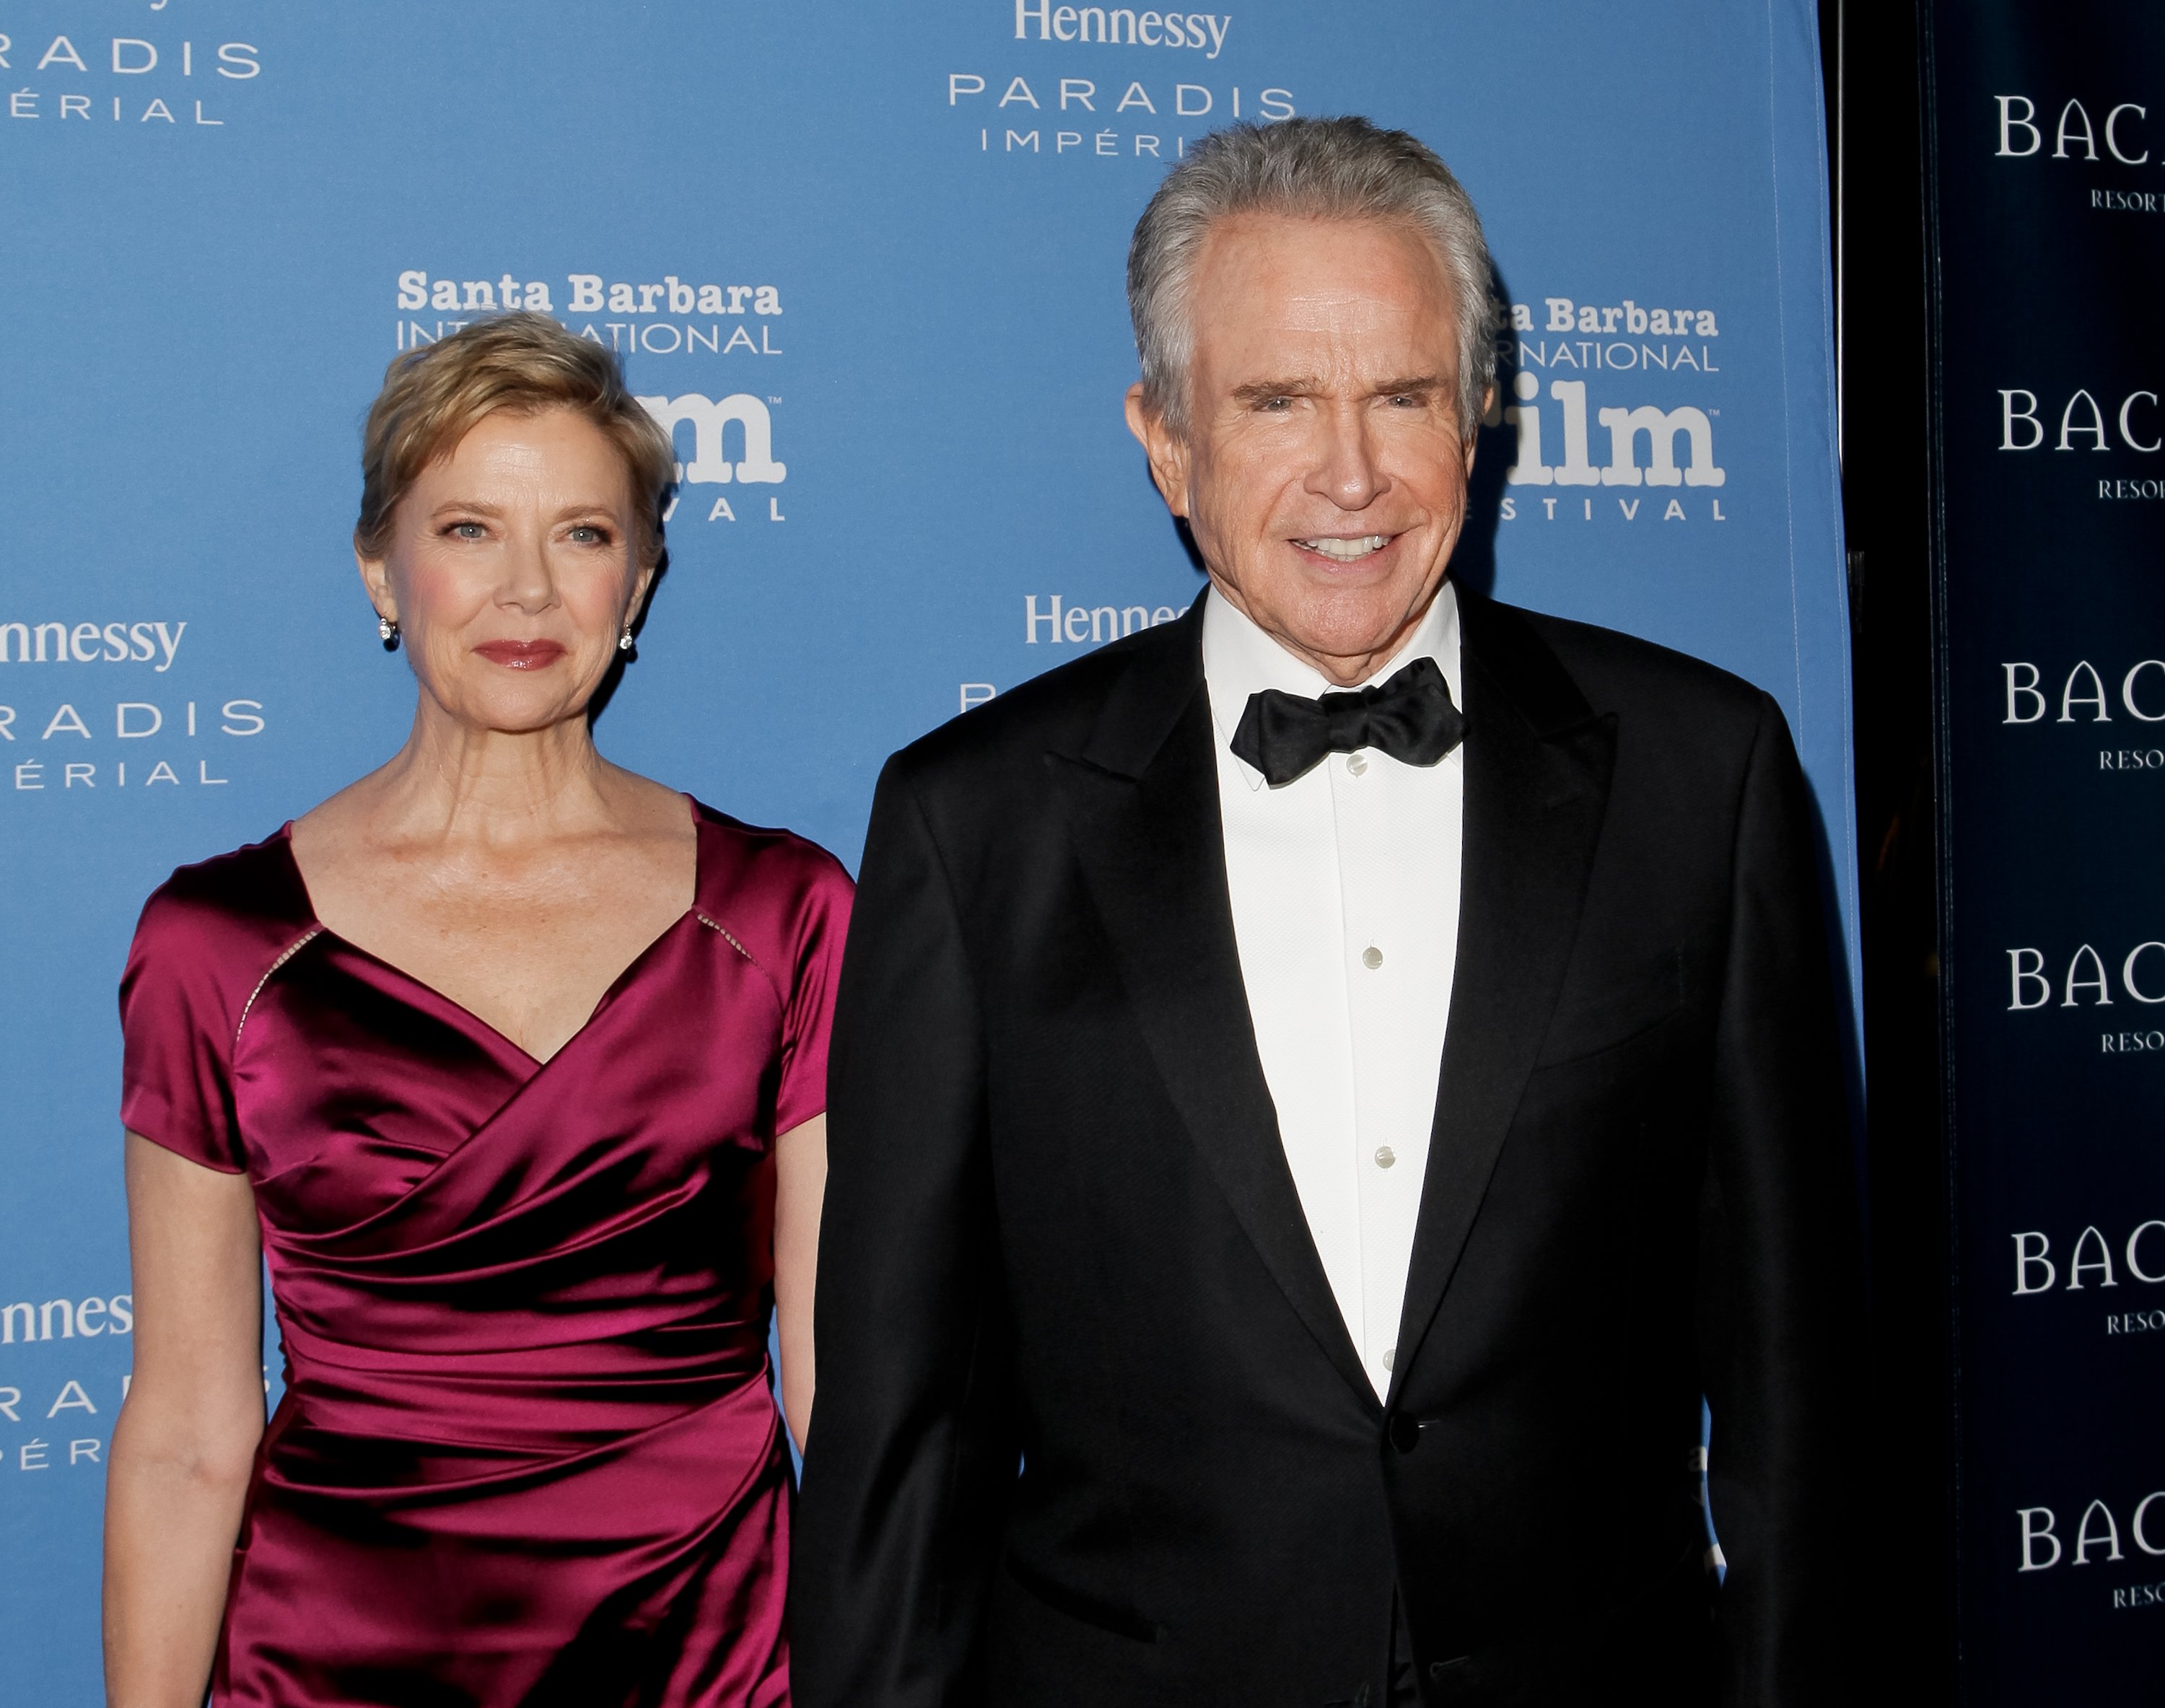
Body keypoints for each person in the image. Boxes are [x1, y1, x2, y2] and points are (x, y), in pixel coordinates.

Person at [792, 118, 1861, 1707]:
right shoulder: (977, 823)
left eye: (1404, 395)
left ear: (1482, 410)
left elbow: (1799, 1387)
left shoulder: (1703, 776)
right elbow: (901, 1437)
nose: (1351, 472)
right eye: (1277, 399)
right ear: (1165, 438)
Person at [103, 313, 849, 1708]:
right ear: (381, 568)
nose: (526, 593)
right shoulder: (217, 945)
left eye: (579, 534)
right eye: (467, 530)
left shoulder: (783, 918)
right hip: (335, 1666)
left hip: (706, 1661)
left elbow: (842, 1391)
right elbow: (191, 1429)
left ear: (637, 581)